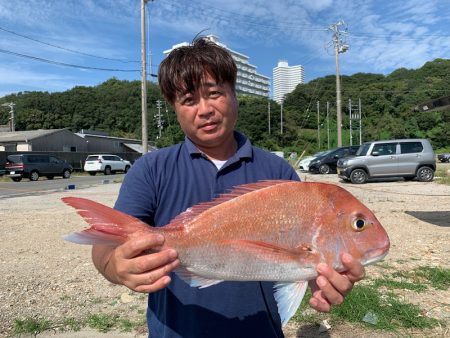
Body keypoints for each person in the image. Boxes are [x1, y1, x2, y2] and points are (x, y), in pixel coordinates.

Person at [91, 37, 365, 338]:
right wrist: (115, 267)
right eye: (189, 100)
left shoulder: (277, 171)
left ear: (234, 94)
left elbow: (297, 262)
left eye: (214, 93)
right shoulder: (152, 169)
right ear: (174, 107)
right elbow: (105, 246)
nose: (205, 109)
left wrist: (322, 280)